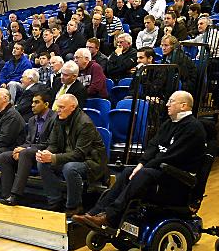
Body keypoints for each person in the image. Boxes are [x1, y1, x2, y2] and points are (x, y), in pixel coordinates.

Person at [72, 91, 206, 228]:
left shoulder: (193, 128)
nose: (167, 104)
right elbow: (153, 145)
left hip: (177, 176)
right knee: (127, 173)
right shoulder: (169, 123)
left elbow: (173, 156)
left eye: (171, 101)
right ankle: (95, 213)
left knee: (143, 174)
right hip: (162, 170)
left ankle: (111, 217)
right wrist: (141, 163)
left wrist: (146, 167)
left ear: (183, 106)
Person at [37, 94, 107, 216]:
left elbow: (79, 154)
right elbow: (53, 144)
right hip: (68, 158)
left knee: (70, 168)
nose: (58, 110)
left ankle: (74, 206)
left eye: (62, 107)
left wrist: (54, 158)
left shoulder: (85, 123)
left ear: (73, 107)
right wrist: (46, 153)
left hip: (91, 162)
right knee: (42, 163)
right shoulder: (58, 119)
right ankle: (55, 201)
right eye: (58, 106)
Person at [0, 92, 57, 206]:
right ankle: (6, 195)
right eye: (32, 102)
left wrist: (25, 149)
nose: (32, 105)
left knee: (25, 153)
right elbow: (28, 141)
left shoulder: (54, 118)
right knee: (4, 156)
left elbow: (50, 143)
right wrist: (19, 149)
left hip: (47, 151)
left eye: (36, 102)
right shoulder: (31, 120)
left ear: (46, 104)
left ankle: (15, 195)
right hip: (30, 152)